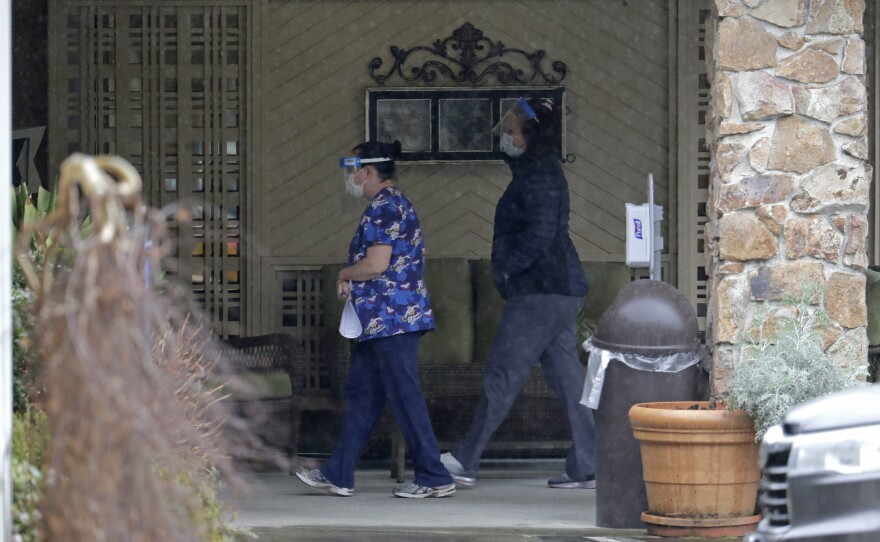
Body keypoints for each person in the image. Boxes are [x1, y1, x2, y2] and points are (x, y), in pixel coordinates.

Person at [440, 98, 596, 489]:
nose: (505, 138)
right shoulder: (536, 172)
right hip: (558, 291)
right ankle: (589, 465)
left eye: (510, 131)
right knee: (568, 382)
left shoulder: (540, 175)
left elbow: (542, 235)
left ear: (530, 136)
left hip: (541, 292)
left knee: (502, 374)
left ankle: (464, 461)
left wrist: (509, 266)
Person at [295, 140, 455, 498]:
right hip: (380, 320)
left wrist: (345, 273)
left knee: (403, 394)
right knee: (363, 394)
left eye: (352, 171)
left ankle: (434, 475)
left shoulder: (385, 207)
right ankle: (339, 472)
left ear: (366, 171)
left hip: (392, 319)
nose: (350, 178)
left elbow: (376, 265)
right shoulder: (391, 204)